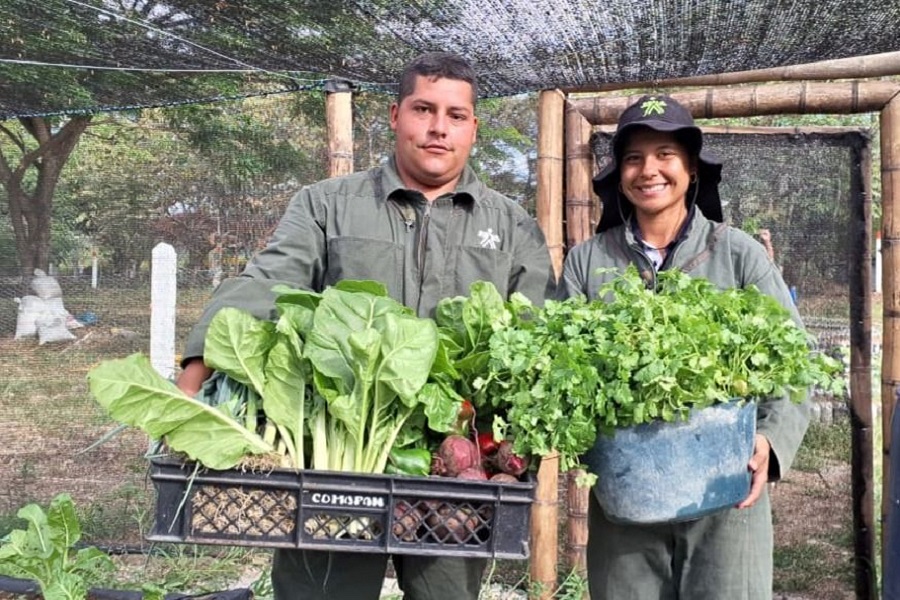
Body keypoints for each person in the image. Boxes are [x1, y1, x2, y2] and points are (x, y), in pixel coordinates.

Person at [175, 51, 556, 600]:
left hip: (452, 464)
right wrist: (193, 376)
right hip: (338, 454)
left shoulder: (511, 224)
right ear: (395, 114)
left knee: (446, 594)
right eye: (423, 109)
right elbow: (265, 282)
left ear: (473, 126)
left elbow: (537, 325)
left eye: (455, 115)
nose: (437, 128)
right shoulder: (328, 204)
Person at [562, 94, 809, 599]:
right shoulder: (587, 262)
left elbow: (794, 360)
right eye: (633, 158)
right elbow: (559, 365)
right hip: (626, 502)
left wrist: (769, 442)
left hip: (725, 497)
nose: (648, 170)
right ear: (619, 173)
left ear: (691, 168)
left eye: (664, 155)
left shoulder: (737, 254)